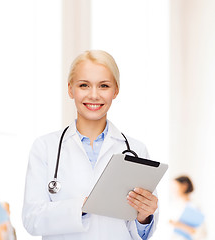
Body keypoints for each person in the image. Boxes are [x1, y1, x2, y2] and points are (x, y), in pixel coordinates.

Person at [22, 50, 159, 239]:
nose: (94, 95)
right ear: (70, 89)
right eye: (84, 85)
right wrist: (82, 207)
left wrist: (144, 217)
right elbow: (32, 219)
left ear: (115, 91)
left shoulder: (136, 150)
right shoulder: (45, 147)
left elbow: (142, 233)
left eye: (103, 86)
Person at [169, 175, 206, 240]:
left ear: (184, 186)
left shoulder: (194, 207)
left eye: (175, 187)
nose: (172, 190)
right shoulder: (172, 205)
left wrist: (179, 225)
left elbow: (201, 233)